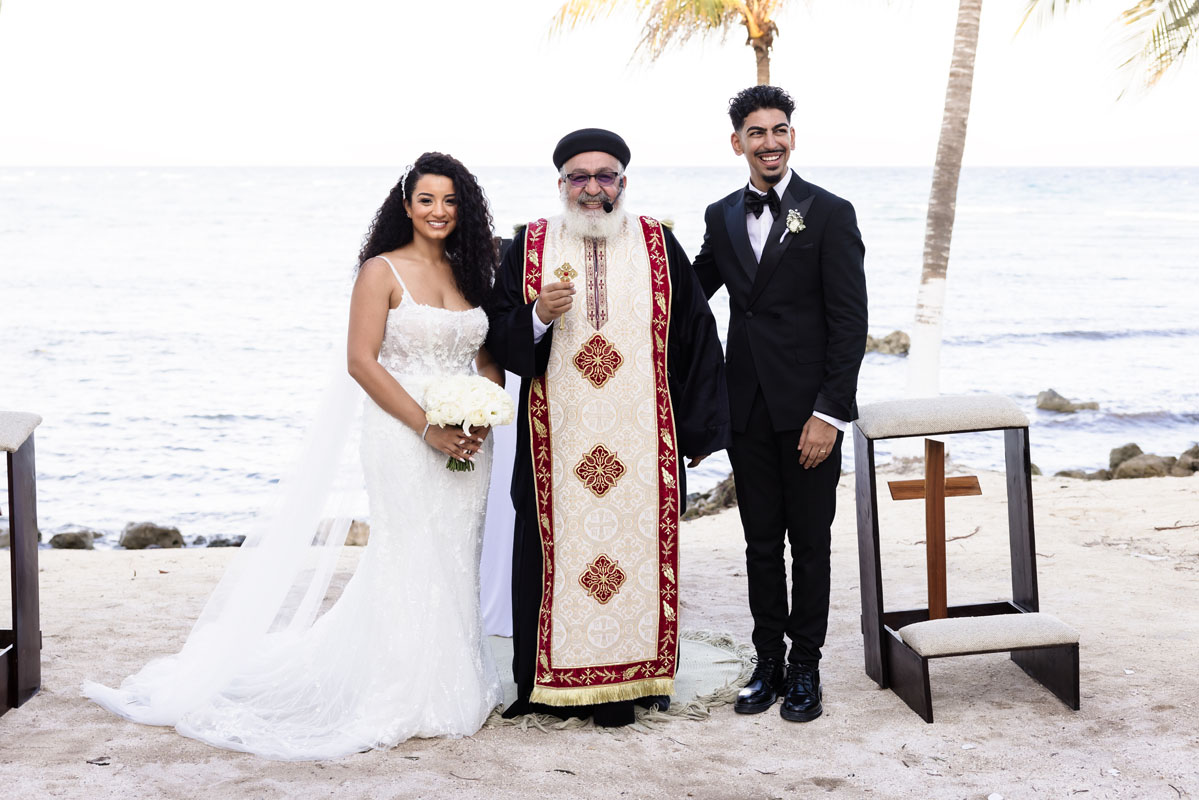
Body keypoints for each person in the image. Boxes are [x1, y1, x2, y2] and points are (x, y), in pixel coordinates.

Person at [84, 152, 504, 759]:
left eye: (450, 200)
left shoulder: (473, 272)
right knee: (409, 552)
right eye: (426, 200)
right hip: (403, 432)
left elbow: (487, 357)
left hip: (467, 437)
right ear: (406, 205)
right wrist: (427, 428)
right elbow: (361, 362)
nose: (439, 211)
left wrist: (482, 412)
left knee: (456, 554)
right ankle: (399, 688)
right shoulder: (381, 271)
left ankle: (451, 681)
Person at [486, 128, 730, 728]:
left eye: (605, 176)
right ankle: (545, 686)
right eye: (579, 177)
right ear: (561, 184)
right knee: (549, 557)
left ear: (623, 181)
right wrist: (537, 315)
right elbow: (495, 331)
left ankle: (633, 684)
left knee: (639, 557)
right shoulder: (529, 245)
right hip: (556, 446)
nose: (592, 188)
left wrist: (699, 430)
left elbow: (696, 331)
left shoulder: (659, 244)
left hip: (643, 445)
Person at [692, 87, 868, 723]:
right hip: (747, 411)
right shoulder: (720, 215)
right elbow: (690, 293)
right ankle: (767, 661)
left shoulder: (830, 213)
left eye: (780, 130)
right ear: (737, 142)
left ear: (792, 136)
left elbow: (850, 322)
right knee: (760, 543)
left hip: (809, 414)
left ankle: (805, 667)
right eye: (757, 132)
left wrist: (829, 414)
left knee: (810, 544)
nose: (770, 142)